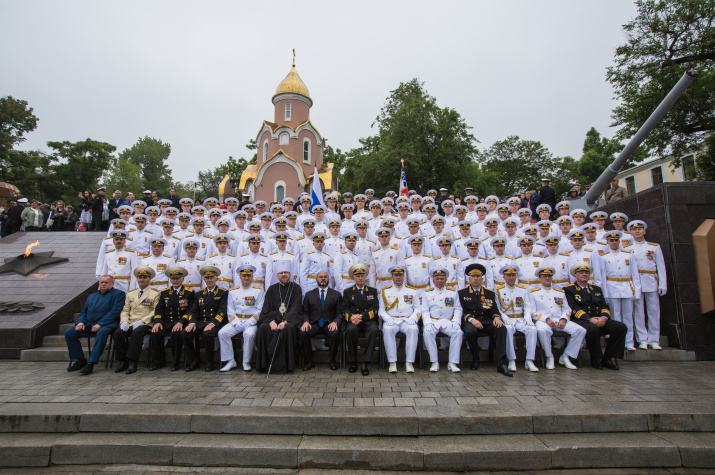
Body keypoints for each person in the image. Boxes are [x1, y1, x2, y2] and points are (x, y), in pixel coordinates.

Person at [564, 261, 626, 370]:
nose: (584, 274)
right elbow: (573, 307)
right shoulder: (569, 289)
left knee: (620, 327)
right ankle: (596, 358)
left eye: (586, 273)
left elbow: (604, 306)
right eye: (581, 273)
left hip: (599, 318)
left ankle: (608, 358)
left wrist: (603, 318)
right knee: (593, 329)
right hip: (581, 319)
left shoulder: (596, 289)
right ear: (575, 275)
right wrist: (589, 319)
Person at [527, 265, 586, 370]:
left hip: (559, 319)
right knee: (543, 330)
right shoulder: (533, 293)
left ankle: (566, 356)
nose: (547, 278)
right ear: (539, 278)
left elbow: (567, 309)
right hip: (542, 320)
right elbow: (532, 312)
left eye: (549, 276)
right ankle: (549, 356)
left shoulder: (560, 292)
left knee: (580, 330)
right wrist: (546, 319)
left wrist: (563, 319)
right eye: (544, 276)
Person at [65, 275, 126, 375]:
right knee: (69, 333)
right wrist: (80, 322)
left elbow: (114, 312)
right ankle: (80, 359)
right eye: (101, 282)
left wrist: (100, 324)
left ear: (112, 283)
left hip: (108, 324)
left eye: (106, 282)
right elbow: (84, 312)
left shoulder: (118, 294)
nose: (103, 284)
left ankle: (91, 363)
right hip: (89, 323)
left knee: (102, 333)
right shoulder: (92, 296)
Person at [458, 263, 512, 376]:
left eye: (478, 276)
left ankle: (501, 363)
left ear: (482, 279)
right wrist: (471, 319)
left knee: (501, 328)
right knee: (470, 332)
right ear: (469, 278)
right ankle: (476, 358)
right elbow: (461, 311)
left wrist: (496, 317)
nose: (475, 279)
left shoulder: (489, 293)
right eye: (473, 276)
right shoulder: (462, 293)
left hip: (486, 320)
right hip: (470, 321)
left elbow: (494, 309)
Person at [593, 230, 641, 351]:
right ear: (607, 242)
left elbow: (635, 275)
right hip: (612, 288)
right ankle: (617, 342)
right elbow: (602, 277)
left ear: (619, 241)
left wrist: (637, 291)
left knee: (628, 318)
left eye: (616, 240)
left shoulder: (628, 255)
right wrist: (604, 294)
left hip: (627, 288)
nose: (614, 242)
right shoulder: (603, 257)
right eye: (611, 240)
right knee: (615, 317)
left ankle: (629, 342)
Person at [255, 260, 303, 374]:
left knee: (289, 328)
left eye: (286, 272)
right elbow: (266, 309)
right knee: (263, 328)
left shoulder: (296, 288)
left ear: (290, 274)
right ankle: (264, 365)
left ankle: (288, 366)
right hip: (273, 320)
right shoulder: (271, 289)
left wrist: (285, 321)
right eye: (281, 273)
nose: (283, 275)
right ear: (277, 275)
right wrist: (271, 321)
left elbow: (296, 308)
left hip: (288, 321)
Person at [112, 266, 161, 375]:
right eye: (140, 277)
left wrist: (143, 321)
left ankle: (132, 362)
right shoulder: (131, 293)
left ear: (149, 279)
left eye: (144, 277)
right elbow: (125, 310)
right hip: (131, 322)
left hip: (146, 323)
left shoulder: (155, 293)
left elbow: (155, 311)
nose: (141, 280)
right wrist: (124, 321)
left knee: (137, 333)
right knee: (118, 333)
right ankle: (123, 360)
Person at [627, 220, 667, 350]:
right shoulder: (627, 248)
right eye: (634, 230)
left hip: (651, 281)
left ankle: (654, 340)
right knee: (638, 312)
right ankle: (642, 340)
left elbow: (661, 267)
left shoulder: (654, 247)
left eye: (639, 229)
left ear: (644, 231)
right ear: (631, 233)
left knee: (654, 311)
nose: (637, 231)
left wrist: (662, 284)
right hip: (635, 283)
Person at [218, 264, 265, 372]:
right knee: (222, 333)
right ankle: (230, 361)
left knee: (249, 334)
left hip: (252, 322)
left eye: (249, 276)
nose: (246, 278)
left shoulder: (258, 290)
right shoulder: (233, 291)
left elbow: (260, 310)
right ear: (240, 277)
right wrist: (235, 322)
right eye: (244, 276)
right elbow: (230, 309)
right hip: (237, 320)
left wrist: (251, 322)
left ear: (252, 277)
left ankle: (246, 361)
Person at [183, 266, 229, 372]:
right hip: (201, 322)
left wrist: (213, 323)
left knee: (207, 334)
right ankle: (194, 361)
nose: (209, 280)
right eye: (207, 278)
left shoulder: (222, 292)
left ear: (216, 279)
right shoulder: (199, 294)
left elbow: (222, 310)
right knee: (185, 333)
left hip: (215, 322)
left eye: (211, 278)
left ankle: (209, 362)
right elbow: (194, 310)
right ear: (204, 279)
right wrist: (192, 323)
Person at [149, 266, 195, 371]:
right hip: (167, 321)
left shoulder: (189, 292)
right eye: (173, 278)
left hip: (181, 321)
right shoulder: (165, 292)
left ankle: (175, 362)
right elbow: (159, 309)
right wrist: (157, 321)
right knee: (156, 332)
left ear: (182, 279)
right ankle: (159, 362)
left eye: (177, 278)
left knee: (176, 333)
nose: (175, 280)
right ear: (170, 279)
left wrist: (181, 322)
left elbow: (190, 310)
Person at [495, 264, 539, 372]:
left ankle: (529, 360)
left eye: (513, 275)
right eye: (509, 275)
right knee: (508, 329)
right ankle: (511, 360)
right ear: (504, 277)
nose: (511, 278)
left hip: (520, 319)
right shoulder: (498, 290)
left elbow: (527, 306)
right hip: (507, 319)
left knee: (532, 329)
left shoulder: (523, 289)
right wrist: (504, 317)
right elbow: (497, 308)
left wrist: (527, 317)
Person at [380, 265, 420, 374]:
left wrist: (413, 318)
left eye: (400, 275)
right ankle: (392, 362)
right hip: (392, 320)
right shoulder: (385, 291)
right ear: (392, 277)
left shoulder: (412, 291)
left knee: (413, 329)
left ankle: (409, 362)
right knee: (388, 330)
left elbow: (417, 308)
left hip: (407, 320)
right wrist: (387, 318)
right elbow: (381, 310)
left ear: (404, 276)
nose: (398, 277)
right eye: (396, 275)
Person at [421, 267, 463, 373]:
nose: (439, 281)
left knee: (458, 333)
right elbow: (425, 311)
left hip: (447, 321)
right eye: (437, 279)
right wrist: (427, 323)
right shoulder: (427, 293)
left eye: (442, 279)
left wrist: (456, 321)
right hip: (433, 321)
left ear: (446, 280)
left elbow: (458, 309)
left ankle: (452, 362)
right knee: (427, 332)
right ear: (433, 280)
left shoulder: (453, 292)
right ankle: (434, 362)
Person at [342, 263, 379, 375]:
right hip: (354, 320)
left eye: (362, 276)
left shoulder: (372, 291)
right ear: (354, 278)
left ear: (365, 277)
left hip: (368, 320)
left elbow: (375, 308)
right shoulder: (348, 291)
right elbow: (344, 308)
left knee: (373, 330)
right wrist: (352, 317)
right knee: (350, 330)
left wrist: (361, 316)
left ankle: (365, 362)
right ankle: (353, 362)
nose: (360, 278)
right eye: (358, 276)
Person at [299, 270, 341, 371]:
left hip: (329, 323)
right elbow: (305, 312)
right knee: (303, 332)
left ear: (329, 279)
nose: (323, 279)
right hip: (314, 324)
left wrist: (335, 322)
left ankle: (332, 360)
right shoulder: (309, 295)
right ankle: (309, 361)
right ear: (316, 279)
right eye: (320, 277)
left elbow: (340, 313)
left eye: (325, 277)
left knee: (335, 332)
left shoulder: (336, 294)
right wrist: (306, 321)